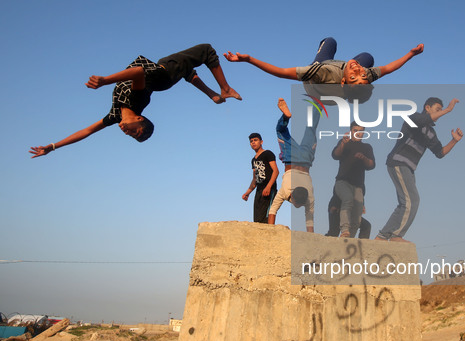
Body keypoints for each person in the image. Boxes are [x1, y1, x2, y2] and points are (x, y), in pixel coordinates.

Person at [29, 44, 241, 158]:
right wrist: (104, 80)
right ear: (139, 118)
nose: (127, 132)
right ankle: (225, 89)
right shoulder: (136, 100)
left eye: (131, 135)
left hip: (165, 76)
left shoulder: (114, 116)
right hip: (164, 73)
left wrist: (53, 146)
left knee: (188, 72)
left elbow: (86, 132)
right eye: (135, 131)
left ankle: (213, 95)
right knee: (206, 50)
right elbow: (138, 72)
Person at [375, 97, 463, 242]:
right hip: (398, 162)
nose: (440, 113)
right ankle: (397, 235)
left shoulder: (431, 133)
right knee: (413, 200)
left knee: (405, 204)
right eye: (438, 110)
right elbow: (422, 120)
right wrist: (448, 109)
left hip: (409, 169)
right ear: (427, 108)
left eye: (441, 110)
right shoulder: (414, 117)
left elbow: (440, 153)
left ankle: (382, 237)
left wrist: (454, 140)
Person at [223, 37, 423, 85]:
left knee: (330, 41)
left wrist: (249, 59)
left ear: (344, 82)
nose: (358, 69)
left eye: (354, 75)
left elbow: (281, 72)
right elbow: (389, 68)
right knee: (368, 57)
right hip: (339, 78)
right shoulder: (365, 74)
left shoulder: (321, 72)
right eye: (361, 73)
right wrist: (411, 54)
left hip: (320, 71)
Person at [268, 98, 320, 233]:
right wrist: (270, 230)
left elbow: (310, 217)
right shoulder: (285, 192)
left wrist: (311, 235)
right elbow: (272, 211)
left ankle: (319, 103)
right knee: (280, 132)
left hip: (306, 159)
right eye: (299, 204)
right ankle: (285, 117)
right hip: (291, 158)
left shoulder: (309, 197)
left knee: (312, 128)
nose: (297, 206)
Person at [331, 122, 375, 237]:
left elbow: (371, 165)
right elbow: (335, 155)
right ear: (351, 131)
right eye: (355, 130)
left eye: (360, 131)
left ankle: (350, 239)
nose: (358, 133)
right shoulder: (344, 143)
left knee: (357, 216)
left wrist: (363, 157)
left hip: (358, 186)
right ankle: (344, 230)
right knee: (347, 199)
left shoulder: (367, 147)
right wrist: (342, 144)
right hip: (342, 181)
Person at [242, 133, 279, 223]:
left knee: (268, 214)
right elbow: (255, 179)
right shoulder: (253, 160)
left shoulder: (268, 153)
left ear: (261, 142)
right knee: (257, 218)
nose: (253, 143)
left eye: (255, 140)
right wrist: (247, 193)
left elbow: (276, 171)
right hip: (259, 189)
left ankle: (270, 235)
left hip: (269, 188)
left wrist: (269, 186)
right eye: (251, 141)